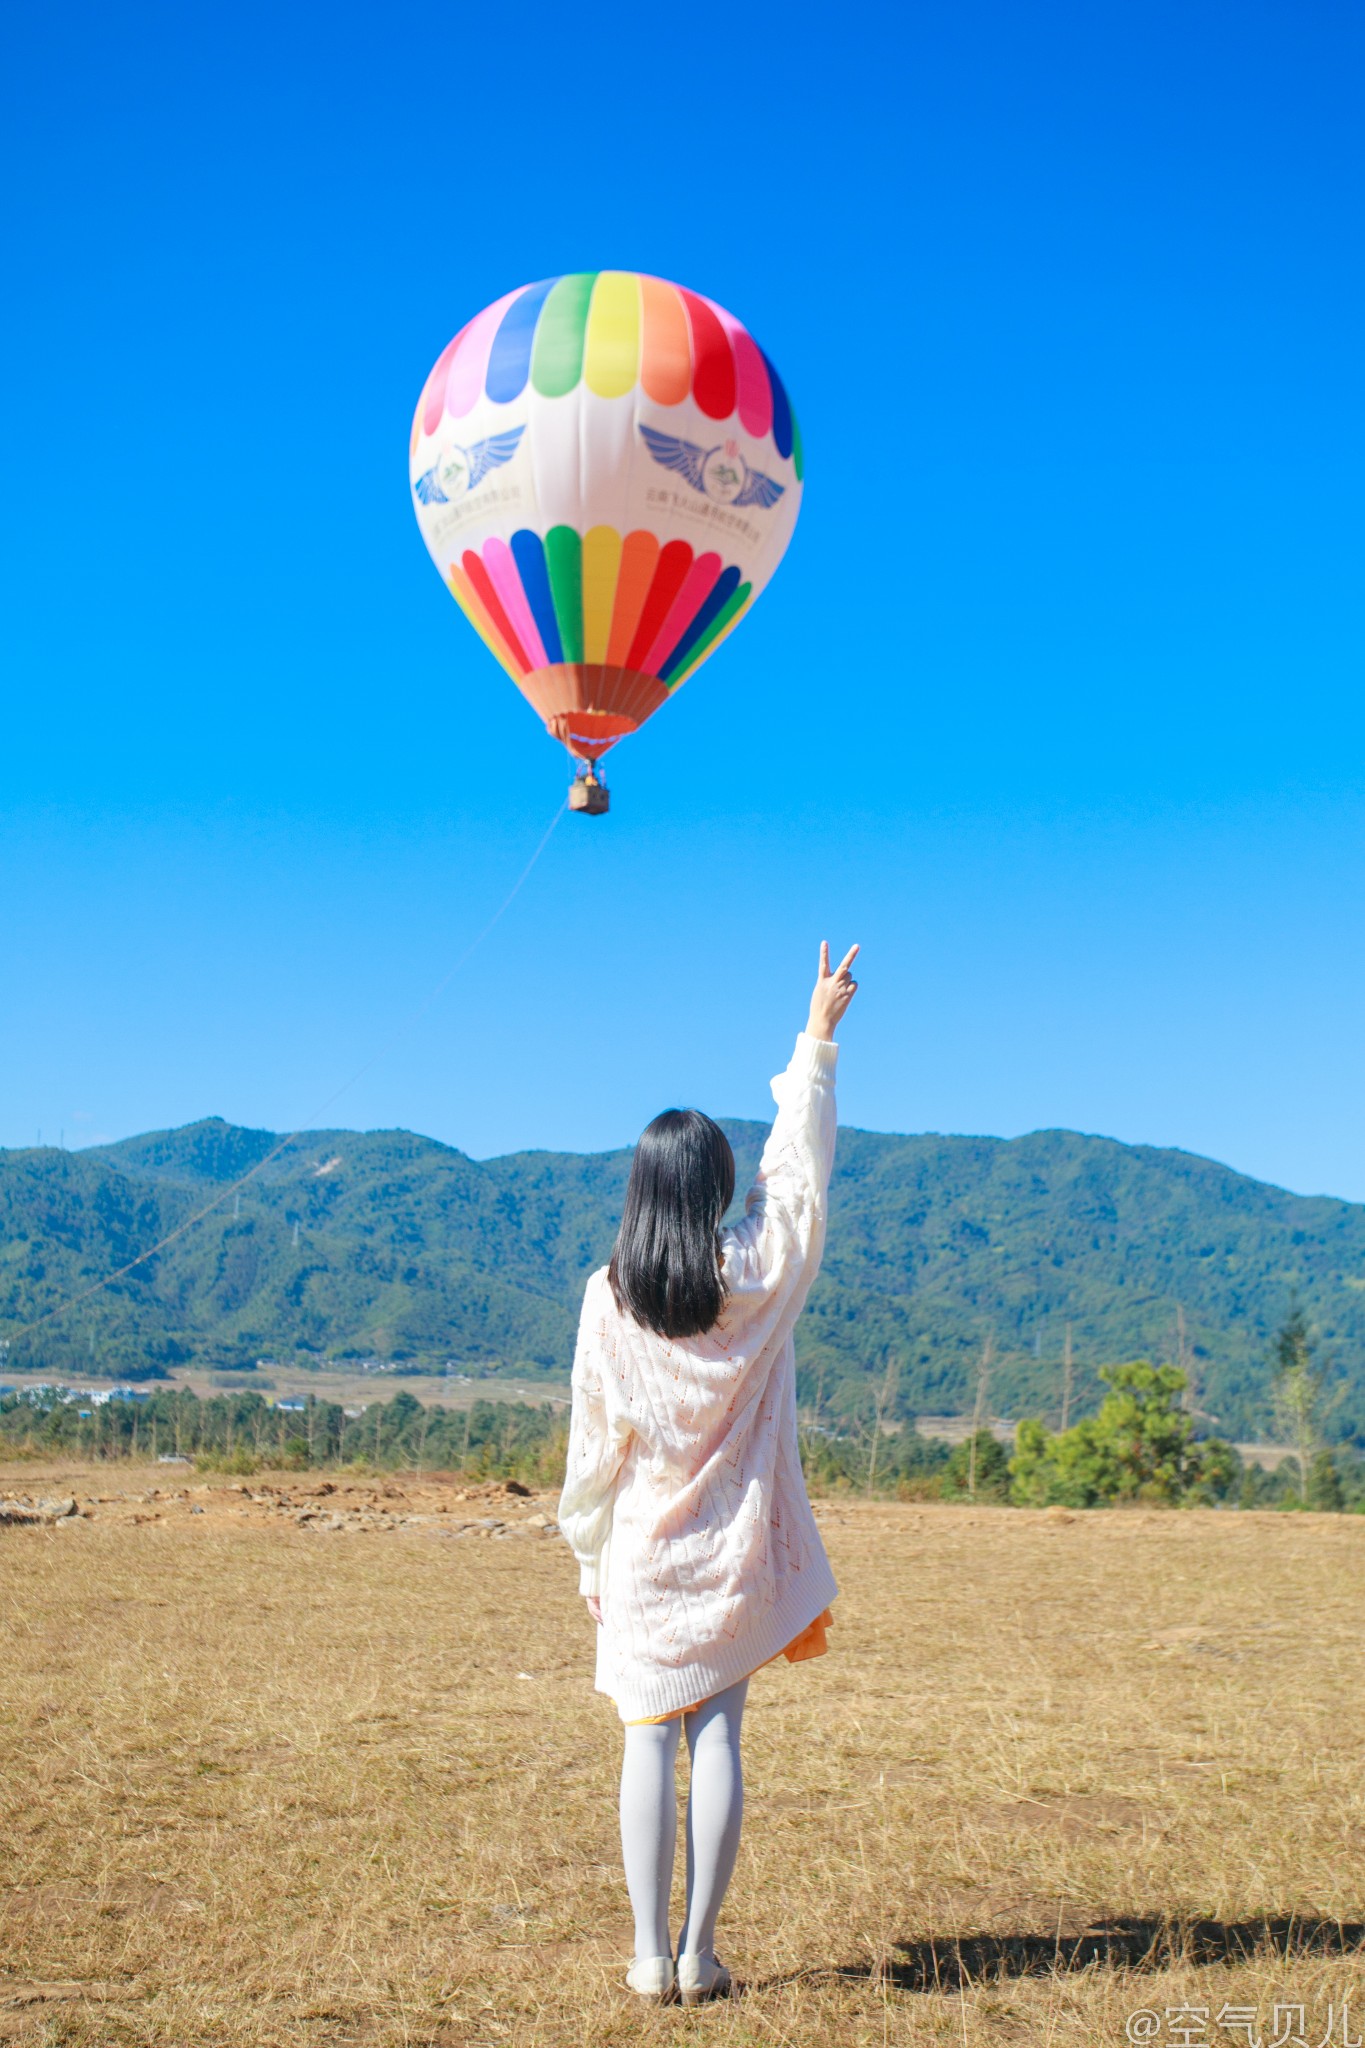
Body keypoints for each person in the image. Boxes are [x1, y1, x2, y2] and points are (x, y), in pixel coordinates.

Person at [558, 941, 861, 2005]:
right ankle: (701, 1951)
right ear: (719, 1187)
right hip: (732, 1546)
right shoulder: (762, 1274)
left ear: (639, 1189)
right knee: (719, 1732)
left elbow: (593, 1446)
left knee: (647, 1736)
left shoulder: (608, 1298)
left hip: (643, 1549)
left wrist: (589, 1548)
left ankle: (646, 1954)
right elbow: (800, 1173)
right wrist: (816, 1035)